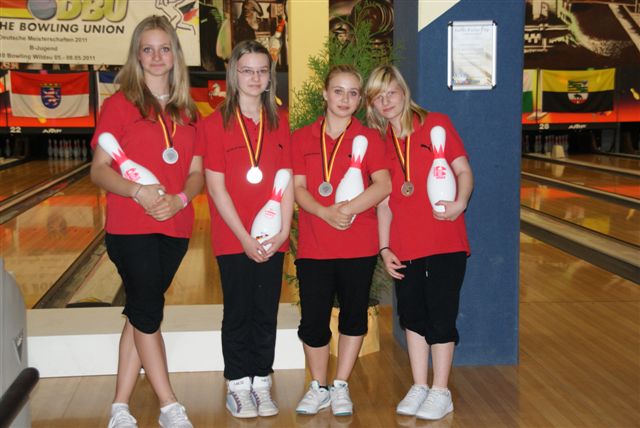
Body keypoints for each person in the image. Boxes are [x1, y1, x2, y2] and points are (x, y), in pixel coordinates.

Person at [90, 15, 202, 428]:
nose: (157, 57)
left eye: (164, 48)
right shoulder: (119, 105)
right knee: (149, 311)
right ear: (136, 56)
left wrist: (179, 199)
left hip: (175, 225)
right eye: (148, 49)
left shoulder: (190, 111)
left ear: (175, 54)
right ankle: (169, 405)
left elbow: (196, 173)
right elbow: (99, 170)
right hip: (130, 226)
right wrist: (137, 191)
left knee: (140, 309)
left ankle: (119, 407)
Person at [364, 64, 473, 420]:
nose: (386, 102)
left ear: (403, 90)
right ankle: (420, 385)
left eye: (391, 93)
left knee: (441, 316)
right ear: (371, 104)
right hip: (404, 245)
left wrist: (461, 202)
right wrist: (384, 248)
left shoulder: (436, 124)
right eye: (378, 97)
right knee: (412, 317)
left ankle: (441, 391)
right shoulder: (380, 143)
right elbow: (384, 204)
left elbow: (462, 170)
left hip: (445, 240)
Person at [292, 64, 391, 416]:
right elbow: (298, 188)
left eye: (352, 93)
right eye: (338, 91)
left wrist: (347, 209)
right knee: (313, 321)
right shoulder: (302, 138)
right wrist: (325, 212)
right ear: (325, 93)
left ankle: (340, 385)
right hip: (315, 244)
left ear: (360, 99)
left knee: (353, 316)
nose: (345, 99)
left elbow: (383, 184)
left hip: (358, 244)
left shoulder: (370, 138)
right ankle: (318, 386)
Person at [200, 40, 293, 419]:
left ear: (270, 77)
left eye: (262, 71)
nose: (255, 78)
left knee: (266, 310)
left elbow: (286, 179)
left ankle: (262, 380)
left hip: (273, 235)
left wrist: (284, 231)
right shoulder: (213, 124)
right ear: (233, 75)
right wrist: (243, 237)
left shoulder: (281, 121)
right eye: (247, 71)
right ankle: (238, 383)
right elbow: (216, 187)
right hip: (232, 236)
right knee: (238, 311)